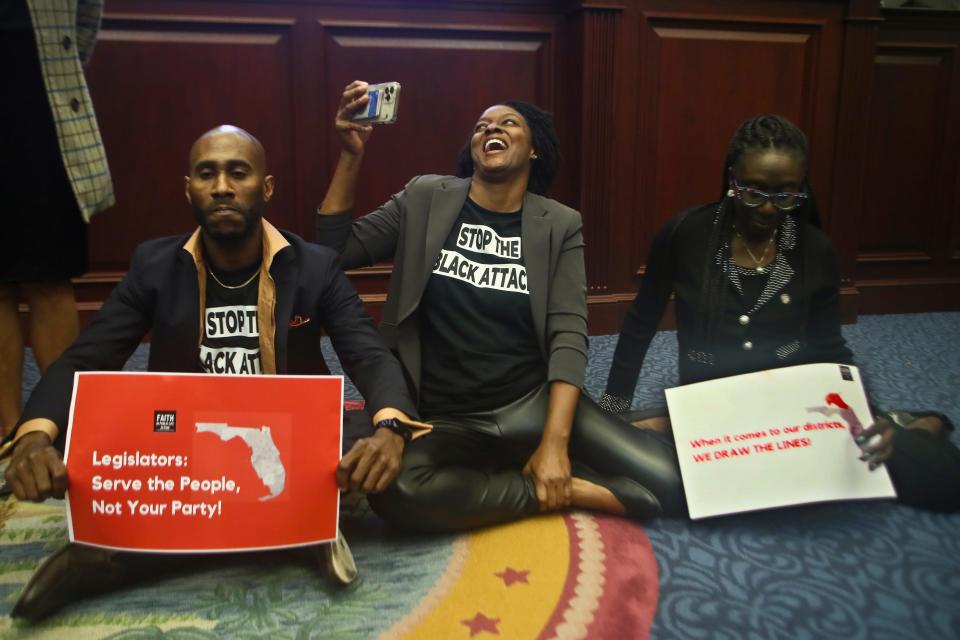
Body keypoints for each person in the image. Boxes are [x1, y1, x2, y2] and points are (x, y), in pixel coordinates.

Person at [2, 125, 425, 621]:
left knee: (356, 449)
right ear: (189, 188)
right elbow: (85, 358)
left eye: (238, 172)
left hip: (281, 442)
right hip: (185, 442)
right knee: (99, 441)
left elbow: (369, 355)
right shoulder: (154, 265)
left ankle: (119, 557)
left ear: (265, 189)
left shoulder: (315, 267)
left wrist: (392, 429)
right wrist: (33, 438)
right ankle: (297, 534)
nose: (222, 186)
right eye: (207, 173)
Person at [315, 81, 686, 532]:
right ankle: (560, 490)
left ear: (534, 150)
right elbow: (332, 251)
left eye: (508, 122)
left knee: (676, 486)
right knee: (397, 491)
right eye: (481, 126)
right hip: (445, 418)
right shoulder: (425, 197)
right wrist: (351, 154)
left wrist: (554, 441)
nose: (491, 128)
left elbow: (568, 335)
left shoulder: (560, 224)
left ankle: (560, 454)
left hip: (531, 401)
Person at [600, 114, 960, 512]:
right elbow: (641, 322)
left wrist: (865, 415)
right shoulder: (685, 234)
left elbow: (829, 349)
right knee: (660, 481)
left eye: (786, 195)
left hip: (793, 404)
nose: (769, 208)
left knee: (945, 482)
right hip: (710, 404)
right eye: (754, 192)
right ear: (731, 179)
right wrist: (615, 408)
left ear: (802, 188)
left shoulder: (816, 251)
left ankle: (903, 423)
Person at [1, 0, 115, 436]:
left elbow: (86, 14)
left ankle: (64, 428)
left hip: (42, 104)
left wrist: (63, 66)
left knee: (50, 276)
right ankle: (10, 436)